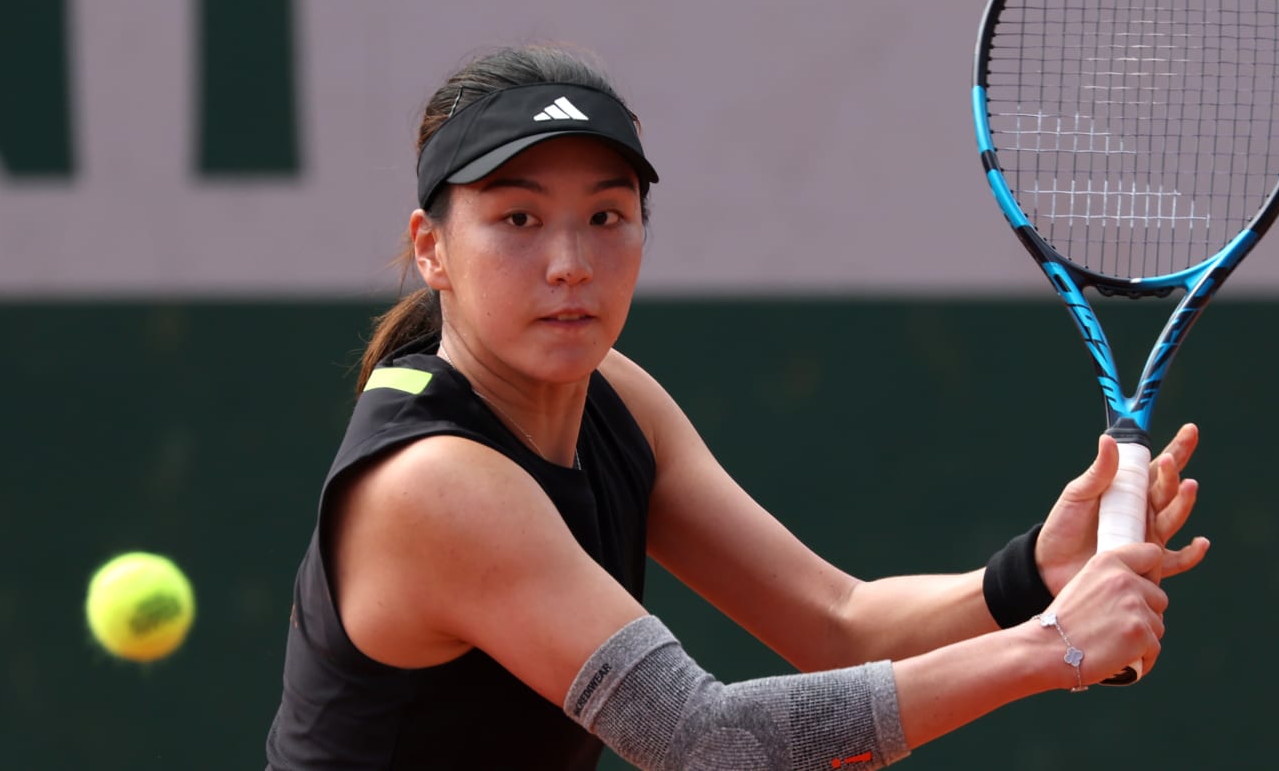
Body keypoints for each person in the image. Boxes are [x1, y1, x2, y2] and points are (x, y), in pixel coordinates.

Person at [264, 43, 1210, 771]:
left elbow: (839, 623)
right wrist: (1051, 647)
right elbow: (706, 743)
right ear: (431, 248)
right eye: (518, 218)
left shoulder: (614, 397)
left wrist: (1031, 578)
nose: (570, 263)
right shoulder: (434, 483)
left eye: (606, 215)